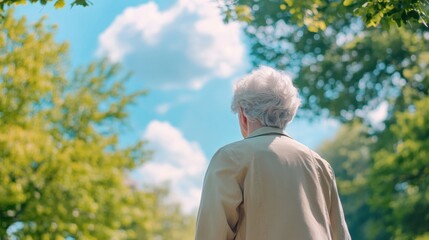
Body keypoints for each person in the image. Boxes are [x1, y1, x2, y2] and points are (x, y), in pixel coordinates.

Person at [195, 66, 351, 240]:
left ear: (243, 114)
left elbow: (211, 233)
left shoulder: (231, 158)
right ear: (288, 114)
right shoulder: (320, 165)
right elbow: (341, 235)